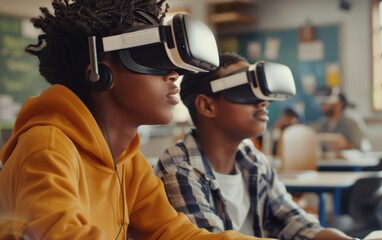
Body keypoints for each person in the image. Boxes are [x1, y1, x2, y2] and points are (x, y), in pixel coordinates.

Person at [0, 1, 270, 240]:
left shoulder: (129, 162)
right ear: (98, 71)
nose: (174, 73)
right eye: (152, 56)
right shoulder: (46, 148)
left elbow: (172, 232)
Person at [154, 52, 382, 240]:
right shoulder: (180, 169)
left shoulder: (252, 160)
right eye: (246, 91)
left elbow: (294, 222)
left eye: (262, 91)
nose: (264, 101)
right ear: (207, 106)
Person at [312, 87, 371, 152]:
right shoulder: (323, 123)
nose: (322, 105)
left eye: (325, 102)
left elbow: (360, 145)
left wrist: (345, 145)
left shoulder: (351, 121)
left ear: (339, 103)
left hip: (354, 160)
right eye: (322, 103)